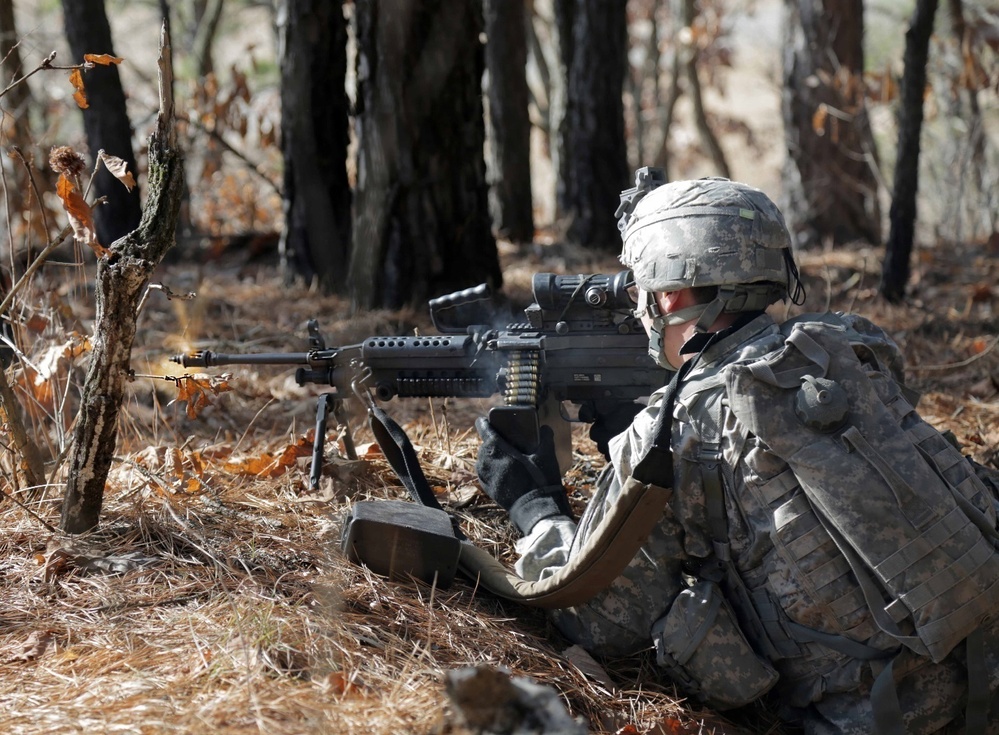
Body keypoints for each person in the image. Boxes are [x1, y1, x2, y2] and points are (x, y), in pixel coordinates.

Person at [474, 173, 999, 734]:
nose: (638, 306)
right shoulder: (851, 348)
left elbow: (598, 620)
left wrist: (534, 506)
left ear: (669, 295)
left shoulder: (673, 432)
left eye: (638, 289)